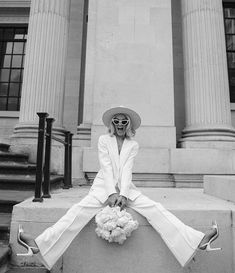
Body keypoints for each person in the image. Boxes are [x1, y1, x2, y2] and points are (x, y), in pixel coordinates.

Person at [17, 106, 221, 270]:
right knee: (76, 213)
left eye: (124, 121)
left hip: (126, 188)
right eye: (117, 121)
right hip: (102, 188)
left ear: (129, 124)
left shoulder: (133, 145)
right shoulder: (103, 140)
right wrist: (111, 193)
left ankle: (197, 240)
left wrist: (123, 194)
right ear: (112, 124)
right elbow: (106, 167)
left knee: (156, 209)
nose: (121, 124)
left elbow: (127, 169)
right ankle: (38, 244)